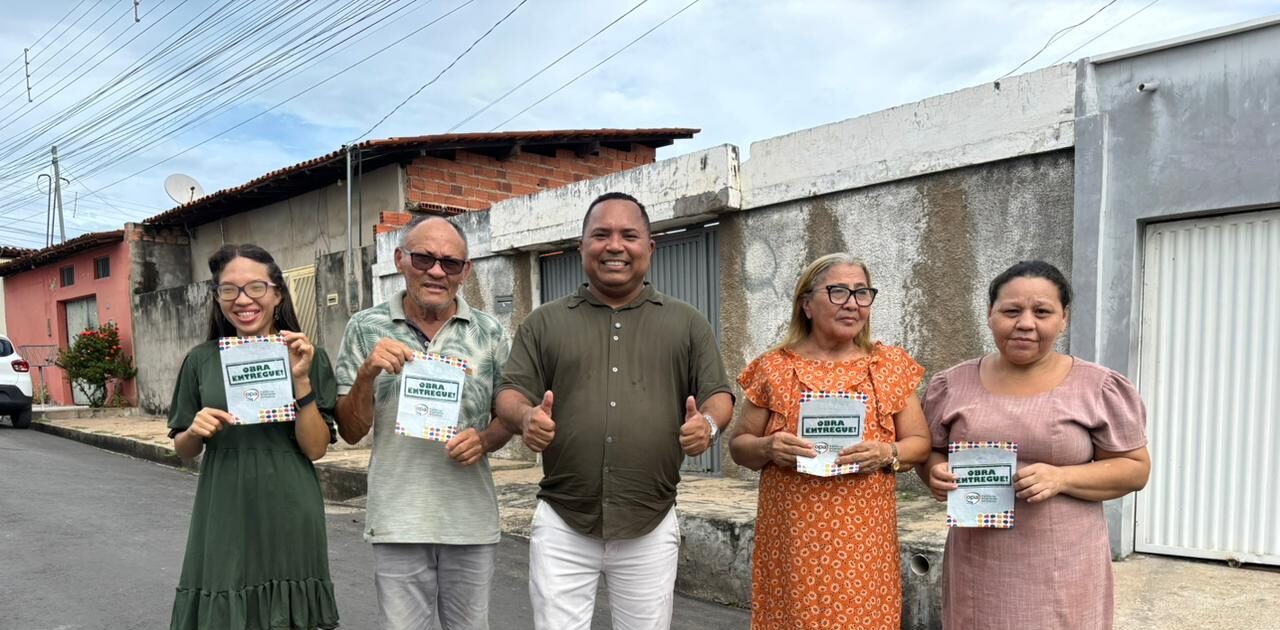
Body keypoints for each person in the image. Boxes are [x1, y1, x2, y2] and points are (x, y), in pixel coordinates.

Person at [495, 192, 734, 630]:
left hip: (650, 520)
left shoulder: (686, 322)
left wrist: (710, 424)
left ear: (650, 247)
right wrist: (525, 416)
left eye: (629, 235)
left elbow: (719, 393)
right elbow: (510, 391)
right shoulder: (544, 323)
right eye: (601, 234)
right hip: (564, 520)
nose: (615, 246)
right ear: (581, 247)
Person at [919, 260, 1150, 630]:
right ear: (990, 314)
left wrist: (1062, 478)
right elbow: (929, 448)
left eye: (1042, 311)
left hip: (1065, 561)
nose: (1025, 323)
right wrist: (932, 472)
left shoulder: (1098, 387)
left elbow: (1135, 469)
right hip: (979, 561)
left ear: (1064, 318)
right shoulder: (951, 385)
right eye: (1011, 310)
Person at [729, 253, 931, 630]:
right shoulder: (774, 367)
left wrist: (888, 452)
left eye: (862, 293)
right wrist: (768, 448)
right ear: (806, 303)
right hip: (793, 537)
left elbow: (919, 443)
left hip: (863, 539)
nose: (853, 303)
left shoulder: (888, 366)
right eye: (838, 292)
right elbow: (739, 446)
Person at [334, 216, 513, 630]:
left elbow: (509, 412)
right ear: (400, 260)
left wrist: (485, 440)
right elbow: (350, 429)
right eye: (424, 258)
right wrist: (366, 374)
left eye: (450, 263)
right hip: (398, 518)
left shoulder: (489, 333)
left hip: (469, 518)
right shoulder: (364, 328)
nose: (436, 271)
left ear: (465, 271)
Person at [167, 244, 339, 630]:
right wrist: (194, 430)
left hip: (291, 505)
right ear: (218, 298)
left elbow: (314, 449)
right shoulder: (201, 360)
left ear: (278, 293)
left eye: (255, 288)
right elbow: (183, 449)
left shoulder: (309, 357)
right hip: (224, 505)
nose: (243, 300)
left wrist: (301, 381)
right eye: (229, 290)